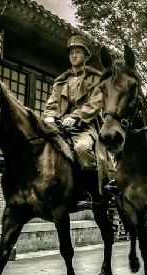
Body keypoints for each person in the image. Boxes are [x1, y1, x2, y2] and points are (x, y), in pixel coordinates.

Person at [44, 35, 110, 204]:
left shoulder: (96, 78)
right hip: (59, 125)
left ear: (86, 57)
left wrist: (75, 117)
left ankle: (90, 192)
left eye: (78, 52)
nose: (74, 56)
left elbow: (96, 103)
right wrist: (50, 117)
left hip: (85, 125)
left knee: (82, 149)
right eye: (72, 52)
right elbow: (52, 103)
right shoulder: (60, 81)